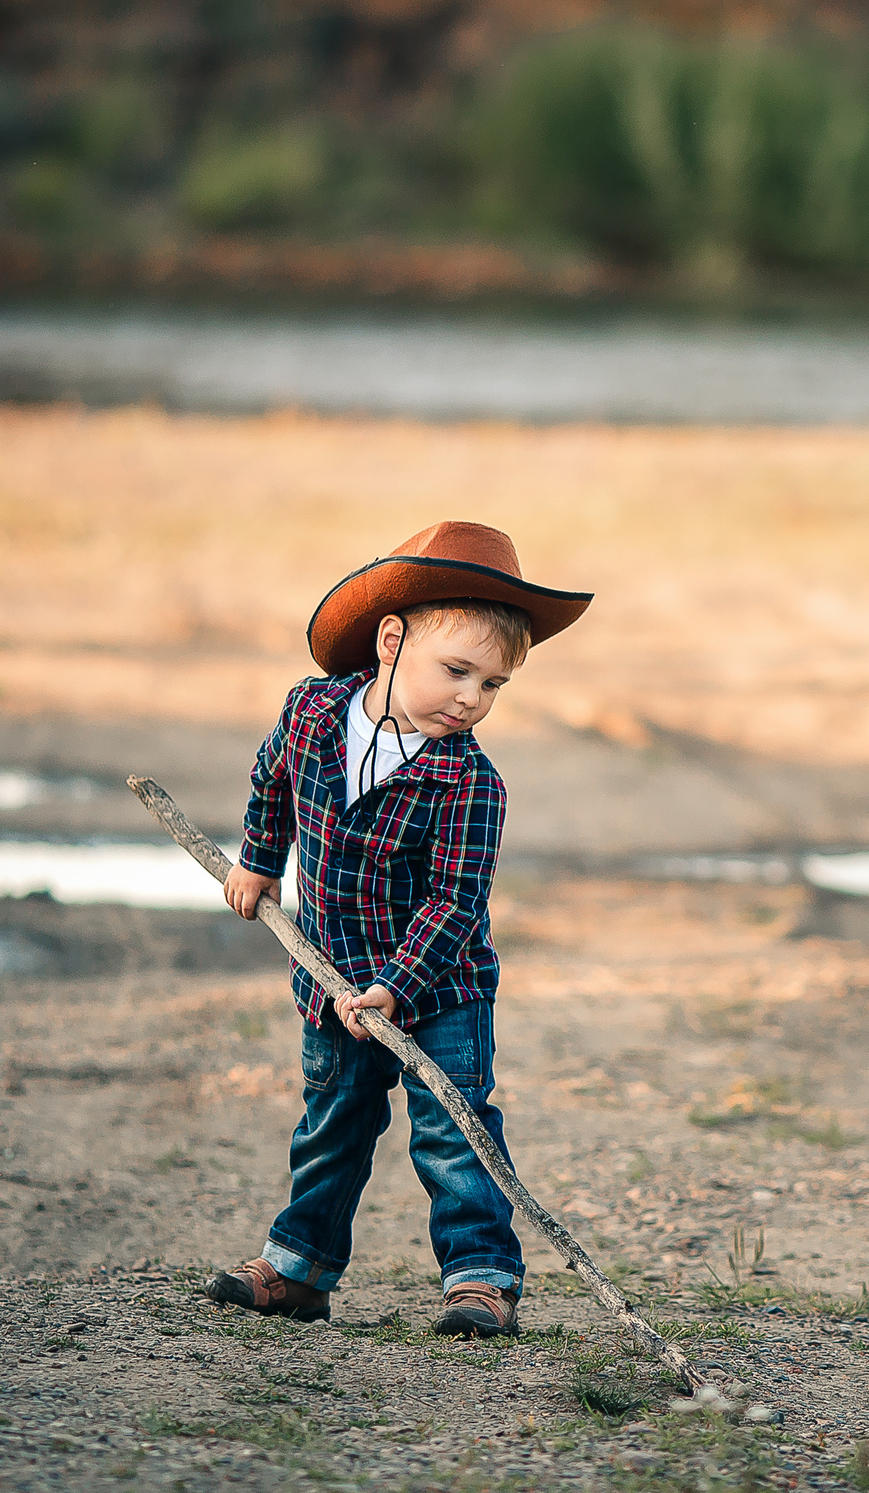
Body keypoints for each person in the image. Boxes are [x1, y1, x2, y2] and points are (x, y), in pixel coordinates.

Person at [202, 520, 590, 1335]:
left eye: (492, 685)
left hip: (438, 989)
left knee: (455, 1126)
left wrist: (394, 988)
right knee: (332, 1122)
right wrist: (259, 860)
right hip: (331, 974)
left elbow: (454, 904)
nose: (470, 699)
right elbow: (271, 779)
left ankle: (481, 1277)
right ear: (389, 640)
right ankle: (300, 1268)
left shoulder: (468, 782)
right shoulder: (312, 714)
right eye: (456, 671)